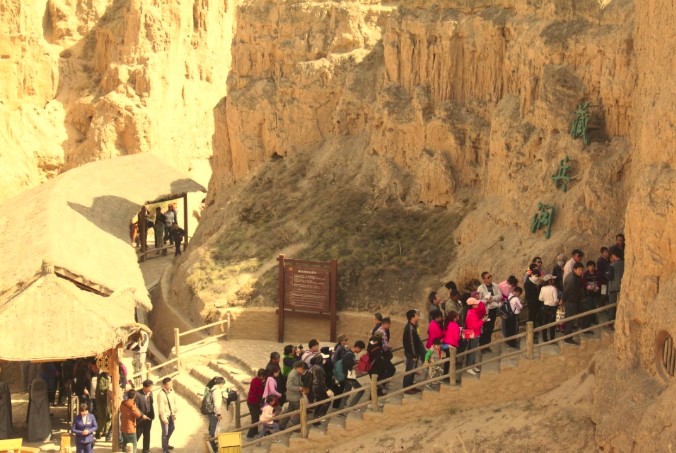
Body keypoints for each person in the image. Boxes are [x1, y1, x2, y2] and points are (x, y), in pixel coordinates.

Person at [337, 341, 366, 412]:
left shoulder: (350, 353)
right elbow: (350, 367)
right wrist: (359, 365)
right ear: (357, 347)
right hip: (349, 377)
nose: (360, 351)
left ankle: (341, 410)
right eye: (360, 349)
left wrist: (357, 362)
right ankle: (351, 407)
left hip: (347, 376)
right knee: (361, 390)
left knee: (347, 392)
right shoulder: (349, 355)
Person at [477, 272, 501, 352]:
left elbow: (500, 296)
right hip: (485, 311)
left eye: (490, 276)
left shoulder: (495, 285)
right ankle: (482, 346)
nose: (490, 278)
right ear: (484, 279)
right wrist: (486, 301)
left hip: (493, 310)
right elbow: (478, 300)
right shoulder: (480, 288)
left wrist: (492, 298)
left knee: (490, 328)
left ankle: (487, 345)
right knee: (485, 328)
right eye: (488, 277)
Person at [403, 309, 425, 394]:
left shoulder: (413, 326)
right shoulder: (410, 328)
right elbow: (411, 343)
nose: (418, 316)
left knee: (412, 370)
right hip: (412, 354)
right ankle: (406, 388)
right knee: (410, 370)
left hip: (414, 353)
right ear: (412, 317)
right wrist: (414, 354)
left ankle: (411, 385)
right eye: (416, 315)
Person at [562, 262, 585, 345]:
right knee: (570, 320)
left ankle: (571, 332)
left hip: (575, 301)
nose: (581, 271)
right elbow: (566, 291)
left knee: (572, 318)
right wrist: (563, 300)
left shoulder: (576, 277)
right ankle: (567, 337)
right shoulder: (571, 278)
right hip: (570, 302)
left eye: (582, 270)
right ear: (574, 269)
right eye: (580, 270)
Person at [279, 362, 306, 430]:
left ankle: (282, 425)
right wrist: (298, 388)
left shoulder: (297, 373)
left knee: (289, 411)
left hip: (294, 396)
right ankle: (295, 427)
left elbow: (299, 382)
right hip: (294, 397)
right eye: (303, 370)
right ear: (299, 368)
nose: (303, 371)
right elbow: (288, 386)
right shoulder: (292, 375)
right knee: (300, 411)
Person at [121, 389, 149, 453]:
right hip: (130, 427)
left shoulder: (123, 403)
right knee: (133, 445)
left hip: (123, 427)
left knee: (125, 444)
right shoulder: (132, 405)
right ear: (135, 396)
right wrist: (143, 416)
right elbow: (138, 415)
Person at [464, 297, 486, 376]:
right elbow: (475, 326)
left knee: (472, 350)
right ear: (472, 305)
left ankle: (472, 366)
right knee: (472, 350)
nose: (477, 304)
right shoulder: (472, 313)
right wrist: (483, 320)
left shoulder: (471, 311)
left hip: (474, 333)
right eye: (475, 303)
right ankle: (469, 367)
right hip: (474, 334)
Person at [157, 377, 177, 453]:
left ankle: (166, 443)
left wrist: (175, 411)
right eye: (169, 384)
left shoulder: (172, 391)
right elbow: (161, 407)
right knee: (165, 432)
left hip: (171, 414)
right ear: (164, 385)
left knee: (172, 428)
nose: (171, 385)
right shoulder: (161, 394)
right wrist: (164, 418)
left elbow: (174, 401)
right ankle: (165, 449)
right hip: (164, 415)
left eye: (171, 383)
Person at [308, 355, 330, 424]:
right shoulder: (319, 368)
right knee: (327, 401)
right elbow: (321, 381)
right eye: (323, 359)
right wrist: (326, 389)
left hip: (315, 387)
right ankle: (320, 416)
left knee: (319, 402)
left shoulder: (313, 366)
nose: (324, 360)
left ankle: (316, 418)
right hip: (319, 387)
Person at [205, 377, 225, 451]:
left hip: (211, 412)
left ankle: (212, 445)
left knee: (212, 428)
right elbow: (217, 404)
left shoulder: (213, 388)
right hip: (214, 413)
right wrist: (219, 414)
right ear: (220, 384)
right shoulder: (217, 391)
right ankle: (212, 447)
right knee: (213, 430)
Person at [134, 380, 154, 453]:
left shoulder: (151, 393)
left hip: (149, 417)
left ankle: (146, 449)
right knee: (137, 434)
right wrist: (142, 415)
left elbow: (151, 403)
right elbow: (136, 407)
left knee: (147, 434)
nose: (150, 389)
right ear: (144, 387)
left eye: (151, 387)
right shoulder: (138, 394)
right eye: (149, 388)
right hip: (140, 418)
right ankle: (132, 449)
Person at [539, 275, 560, 343]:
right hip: (552, 308)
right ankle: (552, 339)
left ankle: (545, 339)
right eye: (552, 279)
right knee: (552, 324)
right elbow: (555, 300)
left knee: (544, 323)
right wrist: (558, 302)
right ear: (549, 281)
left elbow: (540, 298)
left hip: (545, 307)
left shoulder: (542, 288)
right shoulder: (553, 289)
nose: (553, 281)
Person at [245, 369, 265, 439]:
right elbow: (260, 394)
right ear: (262, 376)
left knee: (255, 417)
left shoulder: (254, 380)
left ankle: (255, 431)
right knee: (255, 419)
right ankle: (250, 435)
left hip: (251, 401)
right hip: (253, 403)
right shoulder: (259, 383)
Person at [524, 268, 542, 342]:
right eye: (536, 276)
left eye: (538, 276)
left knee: (534, 319)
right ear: (531, 275)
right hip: (532, 304)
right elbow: (529, 295)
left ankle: (534, 334)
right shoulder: (527, 283)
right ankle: (531, 336)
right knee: (531, 319)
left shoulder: (535, 283)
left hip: (536, 304)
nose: (537, 278)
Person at [608, 246, 624, 325]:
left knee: (612, 307)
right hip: (622, 288)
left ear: (614, 255)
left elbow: (610, 277)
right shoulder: (624, 263)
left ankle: (611, 323)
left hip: (613, 289)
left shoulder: (612, 265)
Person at [94, 371, 111, 441]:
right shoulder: (101, 377)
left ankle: (105, 431)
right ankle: (98, 431)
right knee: (102, 416)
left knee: (108, 415)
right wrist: (109, 388)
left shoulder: (109, 377)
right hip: (101, 399)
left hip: (108, 399)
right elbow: (101, 388)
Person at [583, 260, 601, 327]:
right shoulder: (585, 274)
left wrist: (597, 288)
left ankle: (594, 319)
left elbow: (599, 281)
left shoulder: (597, 273)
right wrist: (589, 287)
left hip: (595, 292)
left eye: (592, 266)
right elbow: (584, 283)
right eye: (590, 266)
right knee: (589, 307)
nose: (591, 267)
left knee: (594, 306)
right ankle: (589, 320)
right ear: (587, 267)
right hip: (589, 293)